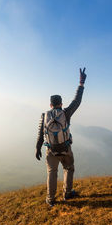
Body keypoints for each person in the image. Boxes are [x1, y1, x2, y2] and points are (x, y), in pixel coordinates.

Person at [35, 68, 86, 207]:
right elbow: (77, 101)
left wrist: (37, 148)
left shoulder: (44, 115)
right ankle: (67, 193)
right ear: (61, 103)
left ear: (50, 105)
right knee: (69, 168)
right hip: (65, 148)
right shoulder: (66, 113)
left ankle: (50, 199)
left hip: (51, 150)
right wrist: (81, 83)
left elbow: (40, 134)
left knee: (52, 172)